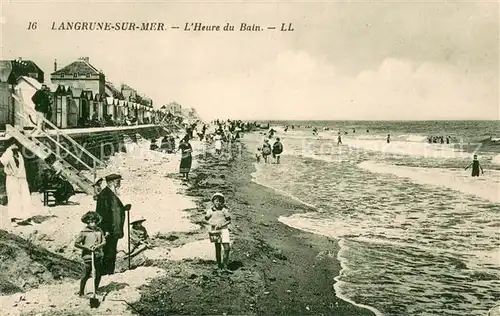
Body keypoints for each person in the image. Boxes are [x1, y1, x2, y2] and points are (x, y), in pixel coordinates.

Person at [95, 173, 131, 275]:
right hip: (108, 229)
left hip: (113, 228)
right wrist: (105, 229)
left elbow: (115, 210)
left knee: (111, 250)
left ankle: (109, 271)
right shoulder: (105, 195)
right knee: (108, 251)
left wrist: (124, 208)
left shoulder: (111, 193)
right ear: (110, 182)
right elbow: (102, 213)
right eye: (117, 182)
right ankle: (105, 272)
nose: (119, 183)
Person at [0, 137, 32, 227]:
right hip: (12, 179)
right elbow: (2, 162)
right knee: (14, 198)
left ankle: (27, 217)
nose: (16, 145)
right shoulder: (8, 153)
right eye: (14, 143)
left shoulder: (19, 154)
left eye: (16, 143)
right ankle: (13, 219)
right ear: (10, 145)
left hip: (21, 178)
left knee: (26, 197)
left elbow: (22, 167)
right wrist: (9, 151)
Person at [74, 211, 106, 297]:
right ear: (87, 221)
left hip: (98, 255)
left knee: (98, 273)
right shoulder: (84, 232)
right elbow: (76, 243)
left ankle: (95, 289)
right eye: (90, 220)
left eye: (94, 220)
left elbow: (104, 242)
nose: (92, 222)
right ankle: (81, 292)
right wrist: (87, 248)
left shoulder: (99, 231)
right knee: (86, 274)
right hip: (88, 256)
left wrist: (98, 246)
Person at [205, 192, 232, 271]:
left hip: (224, 230)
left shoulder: (224, 210)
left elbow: (229, 220)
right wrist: (212, 224)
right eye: (216, 201)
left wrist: (222, 225)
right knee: (217, 248)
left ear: (222, 202)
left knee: (227, 248)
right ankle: (218, 264)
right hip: (215, 230)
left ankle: (225, 265)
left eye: (220, 201)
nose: (218, 203)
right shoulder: (210, 211)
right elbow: (205, 220)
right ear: (213, 201)